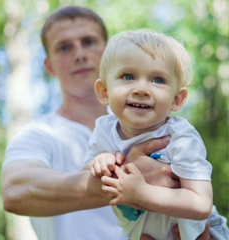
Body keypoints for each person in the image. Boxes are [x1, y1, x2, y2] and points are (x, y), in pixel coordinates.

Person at [1, 5, 228, 240]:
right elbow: (14, 192)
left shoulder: (171, 130)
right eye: (64, 47)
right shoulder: (39, 133)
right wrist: (118, 175)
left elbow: (199, 202)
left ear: (105, 51)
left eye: (89, 42)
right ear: (49, 66)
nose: (79, 54)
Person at [85, 29, 228, 239]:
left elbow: (201, 204)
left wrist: (141, 193)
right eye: (128, 76)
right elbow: (84, 174)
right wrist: (100, 161)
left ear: (177, 99)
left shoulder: (180, 137)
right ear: (104, 92)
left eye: (158, 80)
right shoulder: (104, 131)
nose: (141, 89)